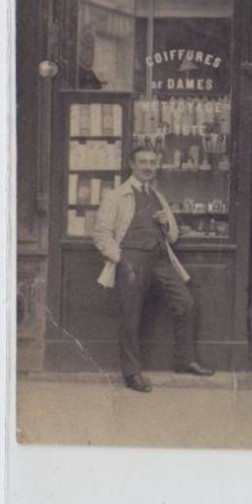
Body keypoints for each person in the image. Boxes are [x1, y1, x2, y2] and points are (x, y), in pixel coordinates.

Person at [92, 144, 214, 392]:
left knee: (186, 303)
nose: (148, 167)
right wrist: (122, 259)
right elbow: (101, 235)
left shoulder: (158, 196)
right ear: (132, 165)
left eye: (151, 162)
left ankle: (185, 360)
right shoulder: (116, 196)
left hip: (159, 260)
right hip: (131, 260)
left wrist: (166, 223)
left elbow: (174, 237)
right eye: (143, 162)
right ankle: (132, 373)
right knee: (130, 316)